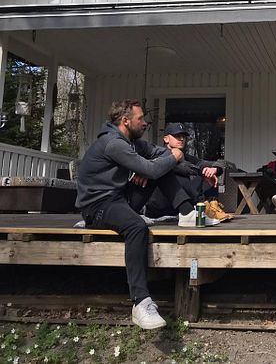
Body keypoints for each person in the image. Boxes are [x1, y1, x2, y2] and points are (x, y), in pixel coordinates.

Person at [76, 100, 198, 330]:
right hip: (98, 206)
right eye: (140, 118)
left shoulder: (132, 143)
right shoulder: (113, 143)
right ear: (126, 121)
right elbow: (157, 165)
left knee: (160, 169)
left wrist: (166, 162)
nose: (145, 123)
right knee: (136, 227)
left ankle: (187, 213)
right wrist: (168, 159)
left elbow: (158, 157)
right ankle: (140, 303)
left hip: (119, 198)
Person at [144, 122, 232, 222]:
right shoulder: (158, 155)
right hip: (157, 209)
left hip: (179, 209)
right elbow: (181, 168)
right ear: (166, 139)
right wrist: (200, 170)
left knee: (208, 175)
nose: (181, 139)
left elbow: (219, 164)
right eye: (177, 136)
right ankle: (196, 209)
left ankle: (210, 207)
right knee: (173, 172)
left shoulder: (187, 157)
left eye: (183, 136)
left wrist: (214, 169)